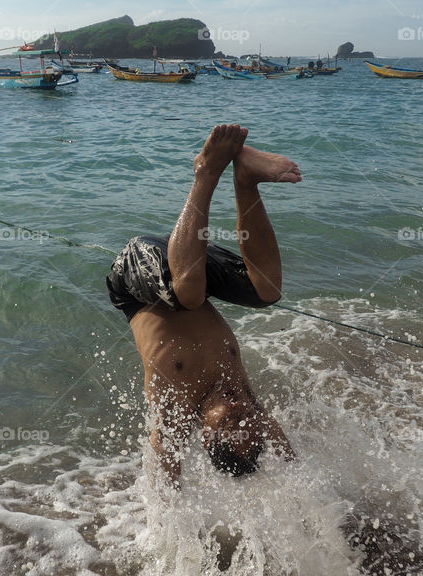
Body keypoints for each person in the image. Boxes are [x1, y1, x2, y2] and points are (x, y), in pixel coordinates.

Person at [107, 124, 299, 489]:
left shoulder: (173, 410)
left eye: (229, 423)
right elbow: (290, 460)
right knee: (267, 290)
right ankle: (245, 178)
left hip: (137, 272)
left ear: (205, 437)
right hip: (188, 256)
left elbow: (164, 480)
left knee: (188, 296)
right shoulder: (243, 402)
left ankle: (206, 171)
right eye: (250, 420)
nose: (240, 409)